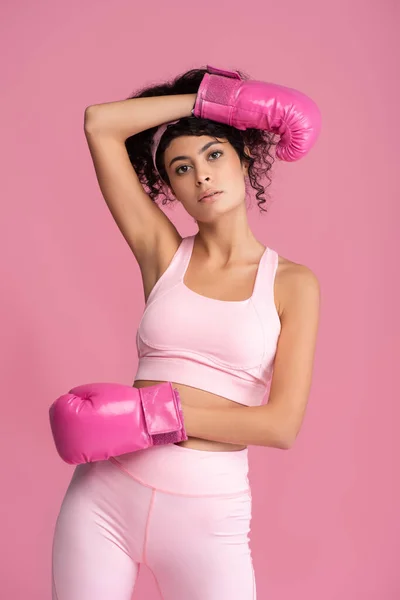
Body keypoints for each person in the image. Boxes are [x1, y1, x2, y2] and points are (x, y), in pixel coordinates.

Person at [50, 65, 321, 599]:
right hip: (104, 498)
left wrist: (152, 413)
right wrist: (216, 99)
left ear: (244, 160)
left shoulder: (292, 284)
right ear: (169, 186)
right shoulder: (163, 255)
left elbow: (281, 425)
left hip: (206, 515)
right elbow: (100, 124)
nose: (202, 176)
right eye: (181, 167)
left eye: (214, 155)